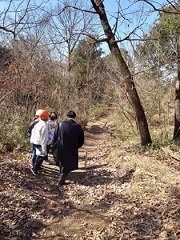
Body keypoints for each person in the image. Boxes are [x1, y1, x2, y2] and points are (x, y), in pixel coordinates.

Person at [52, 110, 84, 185]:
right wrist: (77, 146)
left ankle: (61, 176)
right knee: (69, 163)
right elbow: (81, 139)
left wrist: (54, 146)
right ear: (74, 117)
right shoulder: (77, 126)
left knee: (61, 162)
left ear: (67, 116)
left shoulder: (60, 124)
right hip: (72, 148)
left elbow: (55, 136)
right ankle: (61, 179)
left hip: (60, 146)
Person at [30, 109, 50, 175]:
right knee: (42, 156)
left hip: (34, 142)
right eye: (48, 116)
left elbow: (33, 133)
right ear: (46, 117)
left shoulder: (38, 123)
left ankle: (37, 167)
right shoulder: (44, 126)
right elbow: (44, 138)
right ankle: (35, 168)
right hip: (39, 143)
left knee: (37, 155)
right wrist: (44, 148)